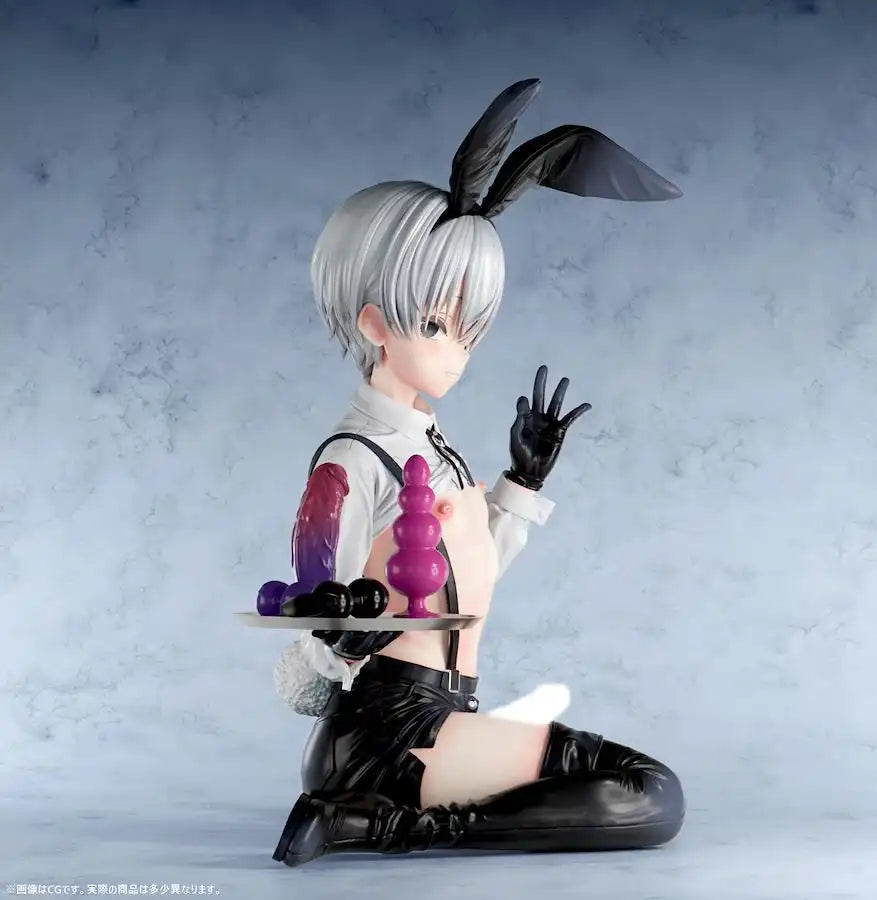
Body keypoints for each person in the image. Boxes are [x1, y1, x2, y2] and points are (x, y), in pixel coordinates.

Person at [268, 79, 685, 865]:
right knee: (649, 793)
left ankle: (362, 818)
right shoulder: (351, 461)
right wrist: (338, 632)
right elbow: (315, 626)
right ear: (374, 321)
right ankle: (369, 822)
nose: (457, 350)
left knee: (645, 788)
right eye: (436, 323)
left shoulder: (434, 448)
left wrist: (522, 483)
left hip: (439, 720)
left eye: (470, 329)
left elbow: (466, 574)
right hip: (385, 735)